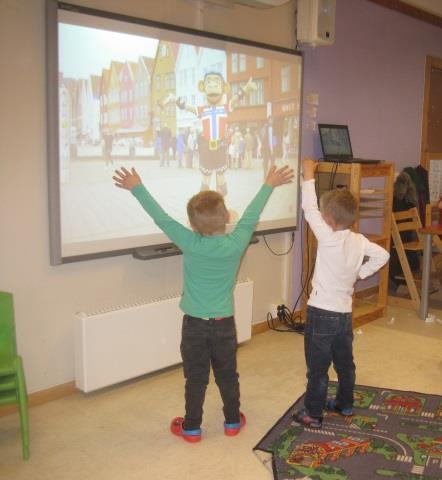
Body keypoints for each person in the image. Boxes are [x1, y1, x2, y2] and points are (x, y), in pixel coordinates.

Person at [112, 164, 294, 442]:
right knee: (227, 375)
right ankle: (232, 422)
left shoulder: (189, 241)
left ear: (192, 224)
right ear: (225, 216)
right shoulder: (236, 243)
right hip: (224, 326)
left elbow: (160, 218)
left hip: (194, 325)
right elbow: (251, 215)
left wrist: (137, 187)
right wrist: (268, 183)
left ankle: (192, 428)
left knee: (195, 378)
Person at [293, 158, 389, 428]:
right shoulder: (358, 240)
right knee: (345, 364)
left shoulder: (327, 236)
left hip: (322, 314)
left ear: (328, 219)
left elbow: (309, 207)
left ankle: (313, 413)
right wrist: (360, 273)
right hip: (345, 315)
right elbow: (383, 255)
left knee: (317, 369)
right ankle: (345, 404)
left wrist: (308, 174)